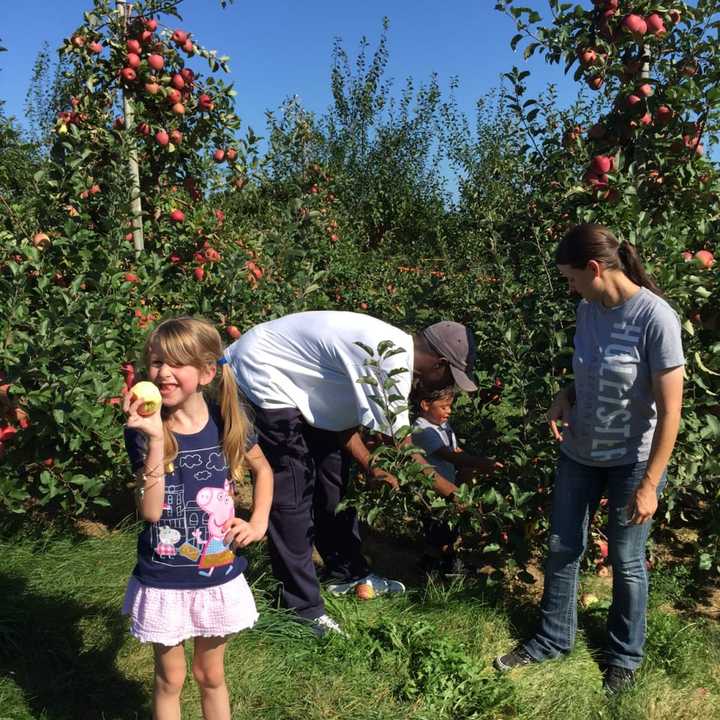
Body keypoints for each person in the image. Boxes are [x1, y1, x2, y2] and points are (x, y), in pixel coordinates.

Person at [494, 224, 684, 695]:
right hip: (580, 453)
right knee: (562, 546)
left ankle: (624, 655)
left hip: (632, 461)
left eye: (571, 277)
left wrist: (649, 484)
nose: (569, 286)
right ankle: (553, 639)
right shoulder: (587, 310)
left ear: (595, 269)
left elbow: (672, 412)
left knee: (626, 558)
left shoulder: (656, 319)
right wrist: (566, 395)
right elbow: (591, 369)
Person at [224, 312, 477, 636]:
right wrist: (458, 498)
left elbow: (340, 420)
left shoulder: (389, 350)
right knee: (293, 491)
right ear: (439, 363)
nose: (447, 386)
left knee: (332, 478)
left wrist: (369, 463)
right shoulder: (389, 363)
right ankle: (301, 610)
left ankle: (347, 573)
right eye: (450, 378)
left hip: (298, 387)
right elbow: (406, 452)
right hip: (264, 374)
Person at [122, 317, 273, 720]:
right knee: (169, 679)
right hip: (164, 576)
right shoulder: (144, 429)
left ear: (207, 372)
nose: (163, 373)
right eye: (155, 362)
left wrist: (258, 522)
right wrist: (154, 438)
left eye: (176, 363)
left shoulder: (225, 419)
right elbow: (152, 512)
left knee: (211, 675)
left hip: (216, 573)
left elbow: (263, 470)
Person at [412, 385, 502, 574]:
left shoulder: (442, 425)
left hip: (448, 486)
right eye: (444, 407)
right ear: (425, 405)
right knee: (437, 528)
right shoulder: (423, 430)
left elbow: (455, 450)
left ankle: (444, 564)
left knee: (449, 528)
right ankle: (436, 567)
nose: (449, 411)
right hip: (433, 490)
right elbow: (449, 456)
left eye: (450, 406)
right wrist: (478, 463)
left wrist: (474, 464)